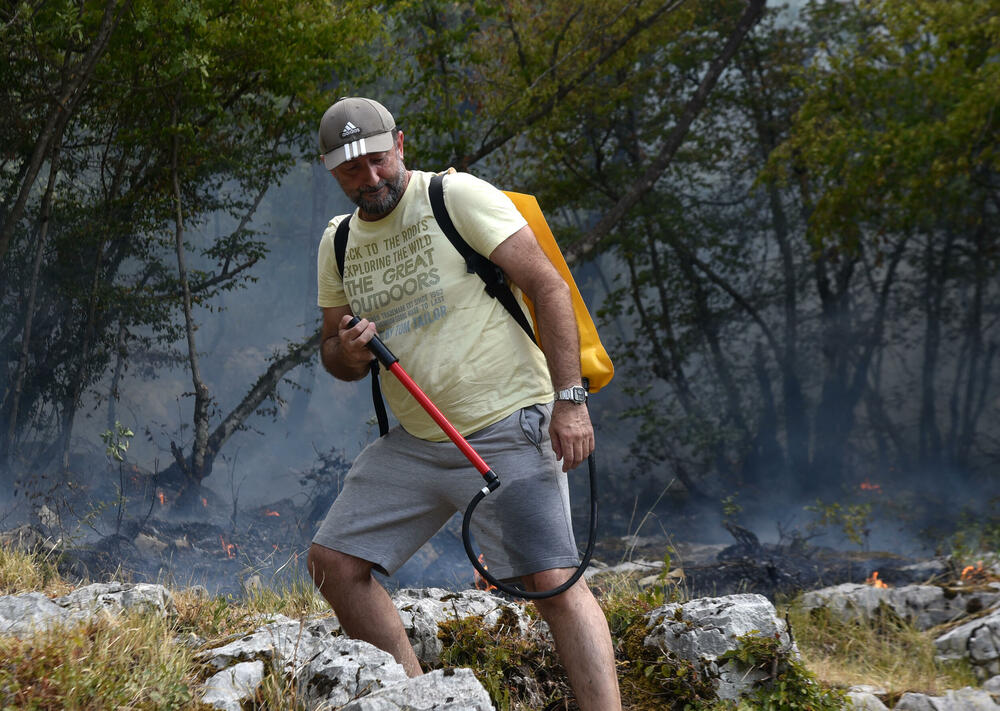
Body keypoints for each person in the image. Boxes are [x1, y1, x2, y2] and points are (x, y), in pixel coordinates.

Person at [308, 96, 621, 711]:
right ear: (331, 172)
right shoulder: (339, 242)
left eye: (377, 159)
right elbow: (332, 354)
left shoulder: (456, 198)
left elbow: (549, 287)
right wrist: (349, 350)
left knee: (553, 582)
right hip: (422, 442)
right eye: (352, 170)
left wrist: (570, 403)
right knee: (333, 562)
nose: (370, 179)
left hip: (509, 423)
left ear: (400, 144)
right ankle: (421, 699)